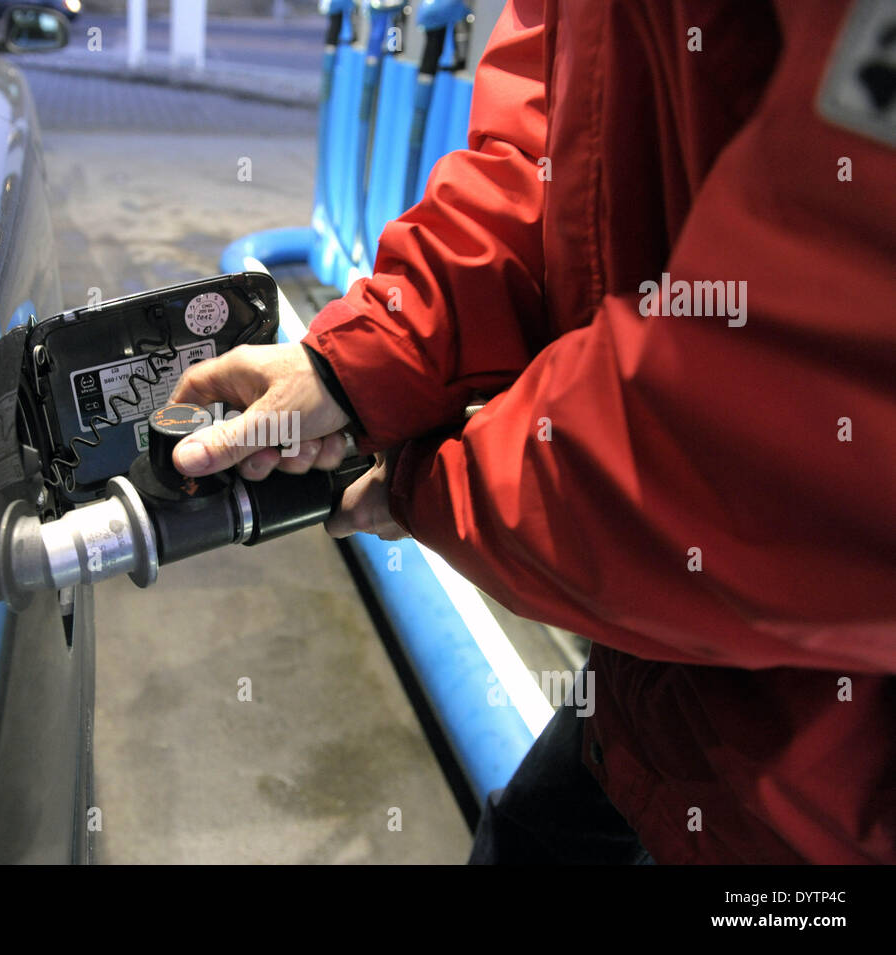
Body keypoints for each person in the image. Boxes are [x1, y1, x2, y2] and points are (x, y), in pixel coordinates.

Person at [169, 0, 896, 864]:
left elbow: (799, 404)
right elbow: (548, 148)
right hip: (666, 700)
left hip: (832, 796)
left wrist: (441, 481)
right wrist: (358, 365)